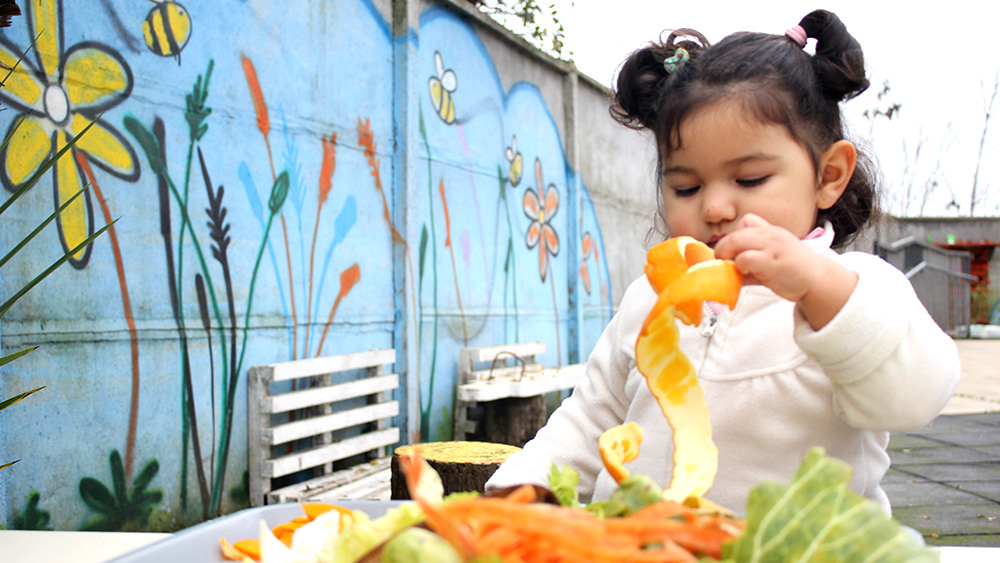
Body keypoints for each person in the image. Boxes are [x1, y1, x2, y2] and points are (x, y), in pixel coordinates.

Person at [485, 9, 961, 513]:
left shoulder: (856, 289)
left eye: (750, 179)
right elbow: (592, 416)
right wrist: (527, 484)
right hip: (641, 545)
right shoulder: (650, 298)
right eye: (685, 186)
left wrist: (817, 287)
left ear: (828, 176)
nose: (713, 208)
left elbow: (918, 397)